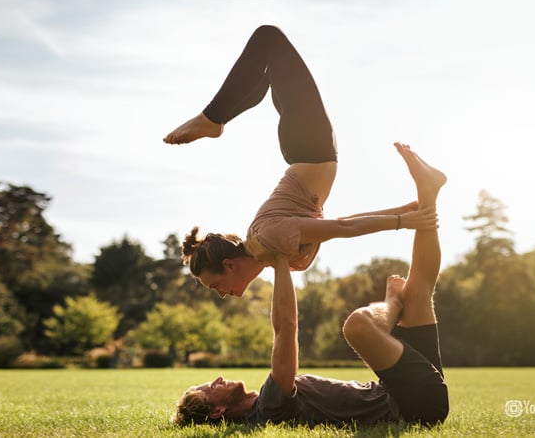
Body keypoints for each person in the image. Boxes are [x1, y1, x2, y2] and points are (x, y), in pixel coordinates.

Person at [173, 145, 448, 427]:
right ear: (218, 411)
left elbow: (338, 225)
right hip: (410, 405)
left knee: (418, 291)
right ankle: (392, 305)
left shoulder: (267, 404)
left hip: (410, 388)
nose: (217, 379)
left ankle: (428, 194)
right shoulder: (268, 409)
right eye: (210, 388)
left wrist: (402, 213)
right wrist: (279, 259)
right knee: (356, 325)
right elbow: (285, 328)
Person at [165, 25, 436, 298]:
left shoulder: (267, 237)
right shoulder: (268, 251)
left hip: (308, 145)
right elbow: (341, 222)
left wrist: (404, 221)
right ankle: (229, 108)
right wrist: (403, 211)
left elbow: (343, 228)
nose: (222, 294)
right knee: (272, 69)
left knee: (268, 38)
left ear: (229, 265)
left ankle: (212, 119)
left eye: (216, 285)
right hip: (309, 148)